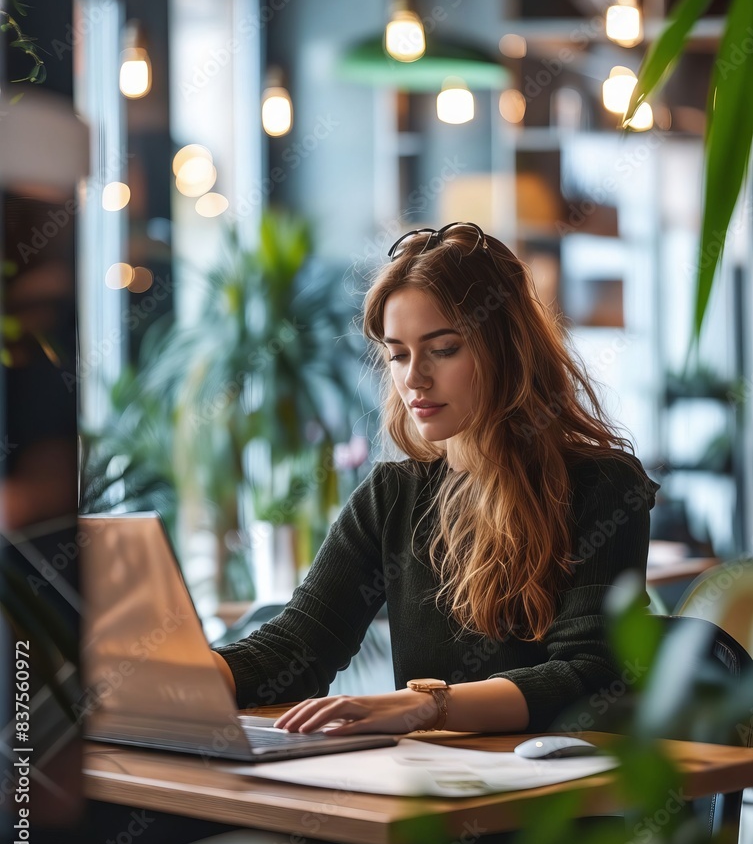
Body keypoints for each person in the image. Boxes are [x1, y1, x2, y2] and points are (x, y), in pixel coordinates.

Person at [211, 222, 659, 736]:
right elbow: (295, 648)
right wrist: (168, 677)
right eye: (398, 354)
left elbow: (590, 676)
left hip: (554, 805)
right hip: (431, 789)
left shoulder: (603, 487)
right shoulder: (393, 494)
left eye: (443, 349)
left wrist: (427, 705)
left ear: (509, 349)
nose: (413, 378)